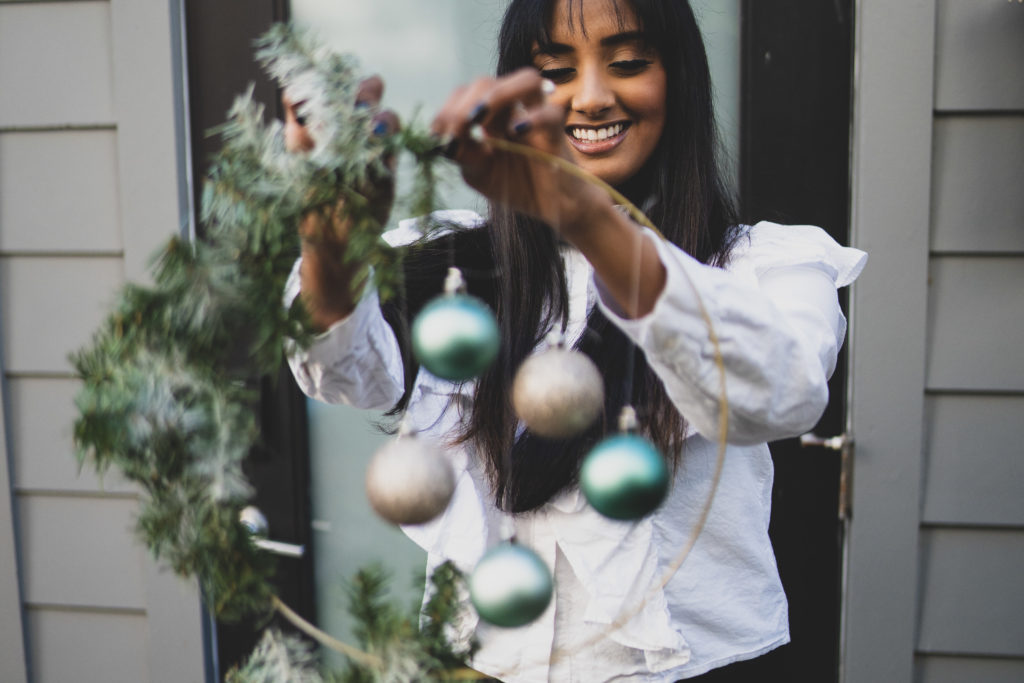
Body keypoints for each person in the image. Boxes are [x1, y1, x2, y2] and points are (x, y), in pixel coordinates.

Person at [283, 0, 866, 680]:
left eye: (627, 63)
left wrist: (589, 218)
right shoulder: (450, 264)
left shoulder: (764, 266)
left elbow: (783, 394)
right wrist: (328, 241)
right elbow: (346, 371)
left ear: (679, 78)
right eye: (555, 70)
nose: (589, 97)